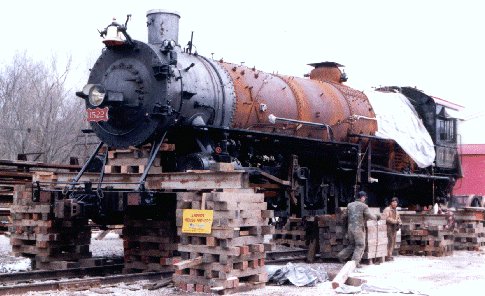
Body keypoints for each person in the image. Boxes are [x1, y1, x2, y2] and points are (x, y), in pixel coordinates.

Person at [337, 191, 379, 267]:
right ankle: (354, 263)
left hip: (350, 229)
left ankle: (341, 256)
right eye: (364, 198)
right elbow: (369, 215)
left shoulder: (350, 205)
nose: (365, 199)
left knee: (352, 245)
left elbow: (344, 216)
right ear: (362, 197)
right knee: (360, 245)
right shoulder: (364, 206)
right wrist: (376, 217)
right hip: (358, 229)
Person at [382, 197, 401, 261]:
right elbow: (386, 218)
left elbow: (398, 218)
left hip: (394, 228)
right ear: (391, 202)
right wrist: (395, 221)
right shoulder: (387, 209)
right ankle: (386, 256)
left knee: (393, 242)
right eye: (393, 202)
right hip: (388, 228)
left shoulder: (397, 211)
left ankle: (389, 255)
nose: (395, 203)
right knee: (388, 242)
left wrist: (400, 222)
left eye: (396, 202)